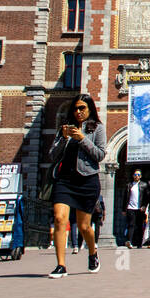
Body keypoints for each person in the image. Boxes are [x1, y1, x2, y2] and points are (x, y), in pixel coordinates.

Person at [45, 94, 106, 277]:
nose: (78, 112)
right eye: (76, 108)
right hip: (64, 180)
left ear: (90, 109)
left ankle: (93, 253)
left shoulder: (97, 128)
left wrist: (82, 138)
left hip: (86, 180)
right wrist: (63, 138)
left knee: (84, 226)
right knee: (59, 219)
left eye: (82, 108)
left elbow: (100, 155)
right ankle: (61, 265)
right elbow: (52, 155)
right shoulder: (64, 129)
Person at [124, 169, 149, 247]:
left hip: (139, 208)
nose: (136, 176)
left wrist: (144, 206)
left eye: (138, 175)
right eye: (135, 175)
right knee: (131, 224)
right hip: (130, 208)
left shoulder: (144, 185)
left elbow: (146, 197)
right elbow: (125, 198)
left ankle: (139, 243)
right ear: (133, 176)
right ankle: (129, 241)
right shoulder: (129, 185)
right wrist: (123, 209)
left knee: (139, 225)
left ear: (140, 176)